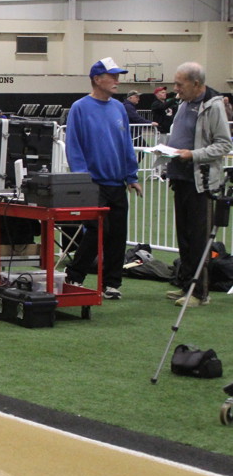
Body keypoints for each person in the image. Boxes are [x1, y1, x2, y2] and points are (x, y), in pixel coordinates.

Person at [64, 57, 143, 300]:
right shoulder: (79, 108)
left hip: (117, 183)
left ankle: (111, 284)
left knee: (118, 234)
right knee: (97, 230)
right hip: (93, 183)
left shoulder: (119, 108)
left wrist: (131, 176)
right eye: (113, 76)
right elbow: (74, 146)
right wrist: (82, 178)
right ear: (97, 79)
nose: (117, 80)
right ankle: (74, 276)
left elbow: (126, 144)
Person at [164, 62, 232, 307]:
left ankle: (200, 292)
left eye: (179, 84)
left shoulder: (213, 106)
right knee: (184, 237)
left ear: (196, 84)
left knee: (198, 240)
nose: (175, 88)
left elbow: (224, 145)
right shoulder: (184, 103)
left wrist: (193, 155)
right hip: (181, 178)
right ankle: (186, 284)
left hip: (201, 183)